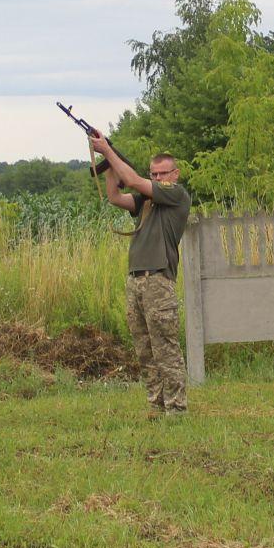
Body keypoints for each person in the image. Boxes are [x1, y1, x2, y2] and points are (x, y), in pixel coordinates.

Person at [88, 132, 192, 417]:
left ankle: (176, 407)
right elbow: (114, 196)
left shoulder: (176, 195)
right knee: (145, 349)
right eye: (154, 174)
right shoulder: (147, 202)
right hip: (136, 280)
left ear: (175, 173)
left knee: (165, 348)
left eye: (163, 173)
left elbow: (133, 181)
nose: (158, 179)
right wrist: (110, 166)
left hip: (158, 279)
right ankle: (156, 405)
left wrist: (107, 150)